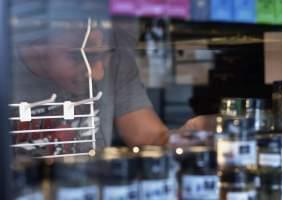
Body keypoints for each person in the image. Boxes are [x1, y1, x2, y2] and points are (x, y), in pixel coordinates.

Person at [11, 1, 214, 156]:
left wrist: (187, 135)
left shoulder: (117, 62)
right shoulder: (7, 69)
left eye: (103, 55)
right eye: (79, 57)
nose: (98, 73)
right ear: (35, 43)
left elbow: (151, 138)